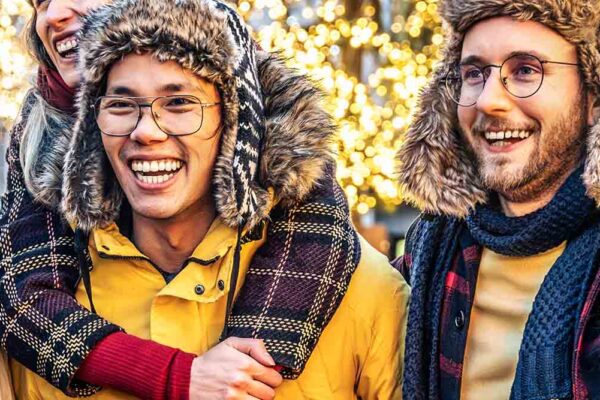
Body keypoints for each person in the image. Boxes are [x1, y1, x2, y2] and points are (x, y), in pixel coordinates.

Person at [1, 0, 405, 398]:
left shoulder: (359, 287)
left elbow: (317, 213)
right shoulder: (38, 139)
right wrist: (177, 375)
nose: (52, 14)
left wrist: (254, 365)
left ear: (237, 119)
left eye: (178, 103)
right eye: (121, 104)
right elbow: (21, 299)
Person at [395, 0, 600, 399]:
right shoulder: (428, 251)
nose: (489, 100)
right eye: (474, 74)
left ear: (592, 96)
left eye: (525, 70)